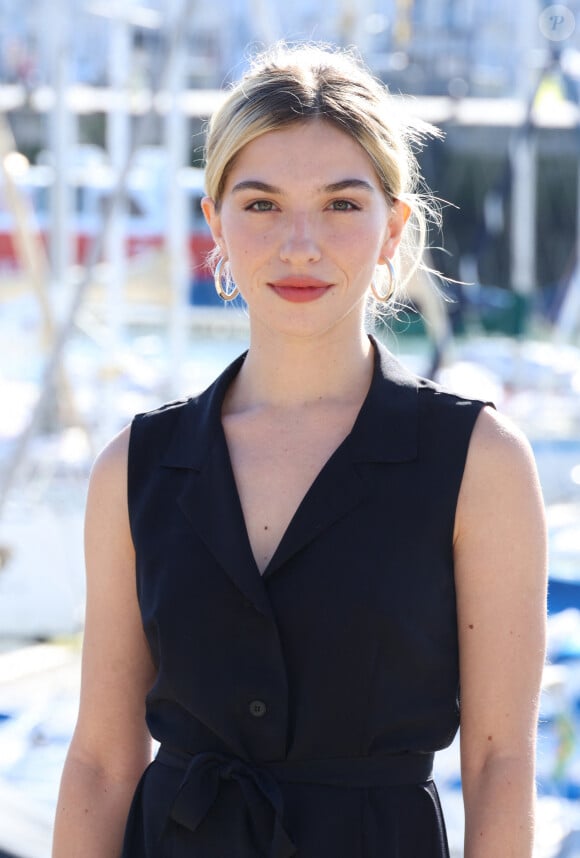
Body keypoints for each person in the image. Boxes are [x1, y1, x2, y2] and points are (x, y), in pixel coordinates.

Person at [52, 43, 547, 858]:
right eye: (262, 205)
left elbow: (499, 761)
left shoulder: (478, 462)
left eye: (342, 205)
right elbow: (104, 761)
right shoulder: (135, 467)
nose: (300, 243)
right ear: (214, 221)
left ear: (394, 227)